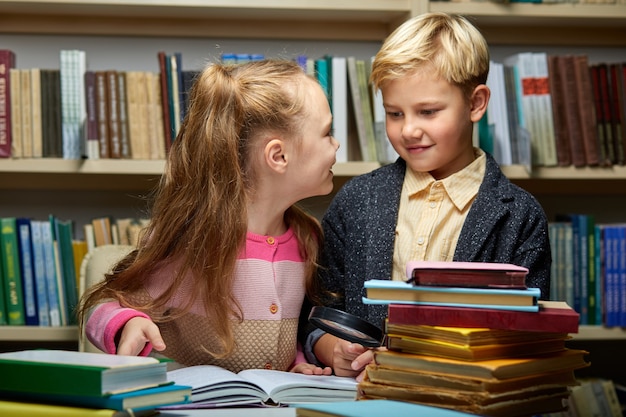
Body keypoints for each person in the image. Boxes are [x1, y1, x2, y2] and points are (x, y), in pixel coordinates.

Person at [304, 12, 551, 380]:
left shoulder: (520, 216)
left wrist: (418, 361)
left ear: (476, 104)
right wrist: (330, 348)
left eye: (428, 111)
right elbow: (317, 312)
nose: (409, 130)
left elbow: (526, 338)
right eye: (394, 113)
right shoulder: (356, 201)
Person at [78, 59, 339, 375]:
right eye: (327, 133)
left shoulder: (306, 239)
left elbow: (284, 333)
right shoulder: (193, 244)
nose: (336, 144)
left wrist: (296, 364)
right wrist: (129, 322)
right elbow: (102, 306)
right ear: (278, 156)